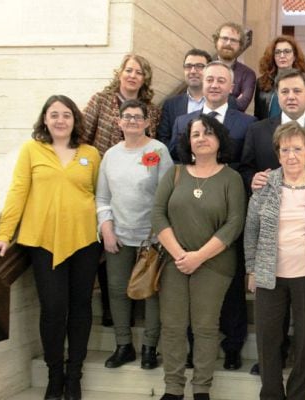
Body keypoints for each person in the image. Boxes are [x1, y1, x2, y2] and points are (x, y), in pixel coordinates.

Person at [0, 95, 102, 400]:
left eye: (66, 115)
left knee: (80, 308)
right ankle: (55, 375)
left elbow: (99, 195)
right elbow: (17, 192)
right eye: (54, 115)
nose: (60, 120)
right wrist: (3, 234)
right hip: (42, 242)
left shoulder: (90, 154)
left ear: (75, 120)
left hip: (84, 242)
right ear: (45, 119)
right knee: (53, 309)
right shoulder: (31, 150)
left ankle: (74, 375)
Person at [244, 121, 305, 400]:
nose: (291, 155)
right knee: (268, 340)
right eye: (285, 149)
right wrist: (251, 269)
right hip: (269, 275)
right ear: (277, 154)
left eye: (297, 149)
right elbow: (251, 229)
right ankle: (272, 393)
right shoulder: (265, 186)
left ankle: (297, 394)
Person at [152, 114, 247, 400]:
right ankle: (173, 388)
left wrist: (199, 257)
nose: (202, 138)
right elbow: (157, 215)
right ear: (188, 142)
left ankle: (202, 389)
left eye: (208, 133)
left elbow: (234, 223)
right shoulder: (175, 173)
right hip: (174, 263)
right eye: (195, 134)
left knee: (205, 327)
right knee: (172, 326)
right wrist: (181, 255)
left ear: (219, 140)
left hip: (215, 264)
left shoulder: (231, 178)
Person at [169, 61, 255, 371]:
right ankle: (194, 346)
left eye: (222, 80)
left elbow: (248, 167)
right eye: (210, 80)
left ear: (233, 87)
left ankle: (232, 345)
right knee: (190, 286)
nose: (215, 85)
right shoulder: (183, 122)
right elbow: (177, 163)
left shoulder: (247, 123)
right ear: (201, 84)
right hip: (189, 215)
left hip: (227, 213)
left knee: (230, 287)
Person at [96, 99, 173, 370]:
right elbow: (103, 197)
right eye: (126, 117)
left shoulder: (158, 151)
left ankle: (150, 348)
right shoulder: (110, 155)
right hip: (117, 236)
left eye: (137, 117)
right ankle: (123, 345)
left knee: (151, 291)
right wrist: (106, 229)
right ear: (118, 122)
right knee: (117, 291)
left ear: (147, 122)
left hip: (151, 237)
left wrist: (160, 232)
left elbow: (167, 195)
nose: (132, 121)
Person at [82, 54, 161, 155]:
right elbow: (82, 136)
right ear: (120, 74)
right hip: (103, 166)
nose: (132, 76)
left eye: (139, 73)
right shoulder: (101, 101)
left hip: (139, 167)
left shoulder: (153, 111)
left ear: (144, 79)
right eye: (128, 70)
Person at [157, 49, 212, 146]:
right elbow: (163, 140)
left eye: (199, 66)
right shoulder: (170, 105)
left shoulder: (222, 101)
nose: (193, 71)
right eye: (188, 66)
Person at [254, 36, 305, 120]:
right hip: (268, 129)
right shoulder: (262, 82)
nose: (282, 55)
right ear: (273, 56)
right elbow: (257, 114)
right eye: (277, 52)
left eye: (287, 51)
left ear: (294, 56)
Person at [212, 22, 256, 112]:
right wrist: (233, 100)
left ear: (240, 46)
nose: (228, 43)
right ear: (216, 41)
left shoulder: (248, 74)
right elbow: (198, 100)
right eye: (224, 38)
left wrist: (211, 97)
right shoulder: (204, 68)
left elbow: (242, 105)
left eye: (233, 40)